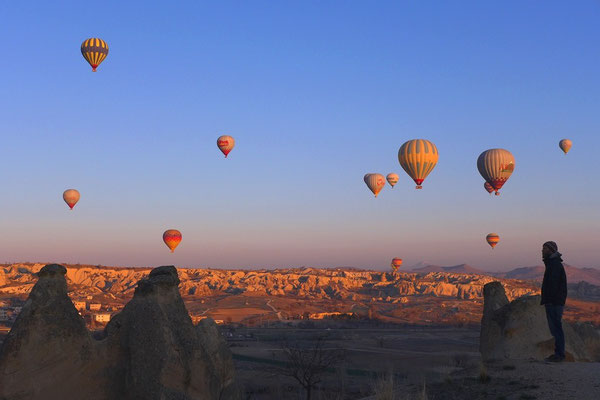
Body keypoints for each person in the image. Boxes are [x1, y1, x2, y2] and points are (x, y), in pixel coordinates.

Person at [541, 241, 567, 362]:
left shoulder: (554, 265)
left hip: (554, 302)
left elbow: (553, 284)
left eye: (544, 248)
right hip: (554, 301)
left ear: (551, 250)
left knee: (556, 328)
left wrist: (550, 300)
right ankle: (558, 353)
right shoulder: (552, 264)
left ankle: (560, 355)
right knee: (555, 329)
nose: (542, 251)